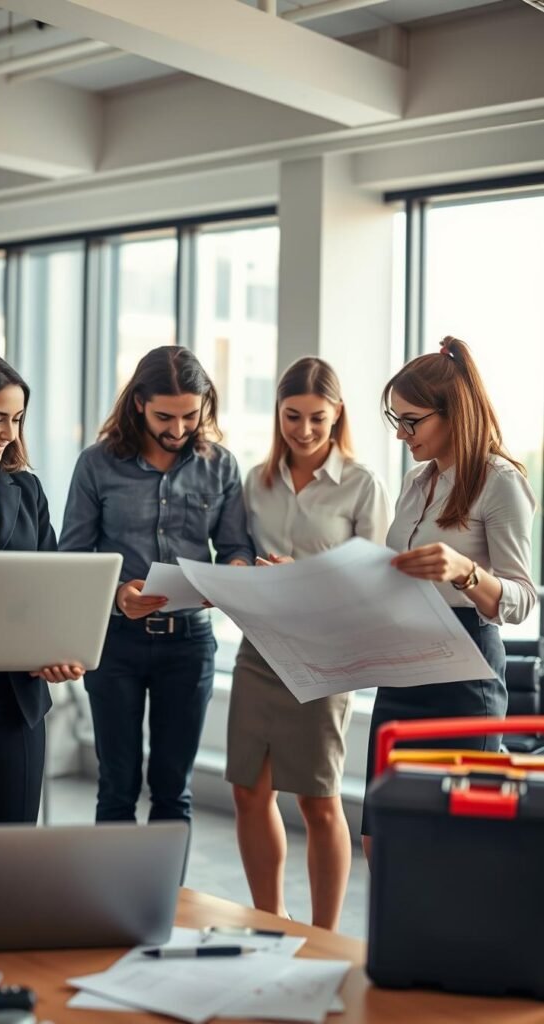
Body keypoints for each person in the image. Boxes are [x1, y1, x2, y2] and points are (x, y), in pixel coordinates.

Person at [227, 356, 390, 930]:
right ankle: (269, 920)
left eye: (316, 418)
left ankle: (322, 935)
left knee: (318, 801)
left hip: (325, 656)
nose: (303, 429)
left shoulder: (362, 485)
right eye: (292, 416)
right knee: (248, 792)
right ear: (277, 413)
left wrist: (305, 573)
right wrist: (247, 570)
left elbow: (377, 581)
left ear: (337, 413)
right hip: (259, 650)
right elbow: (238, 550)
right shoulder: (257, 480)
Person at [59, 345, 254, 825]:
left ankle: (168, 903)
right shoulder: (97, 465)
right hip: (116, 644)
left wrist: (234, 574)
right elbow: (73, 557)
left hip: (188, 645)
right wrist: (119, 594)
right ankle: (113, 902)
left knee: (173, 792)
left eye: (191, 415)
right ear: (139, 403)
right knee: (117, 786)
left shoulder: (221, 466)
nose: (178, 429)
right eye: (165, 416)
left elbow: (237, 548)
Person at [362, 336, 537, 859]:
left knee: (454, 848)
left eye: (411, 420)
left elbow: (523, 599)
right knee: (380, 841)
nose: (401, 433)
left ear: (453, 412)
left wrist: (464, 572)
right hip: (402, 670)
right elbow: (398, 570)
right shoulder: (417, 480)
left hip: (465, 675)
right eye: (395, 419)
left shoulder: (500, 482)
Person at [0, 348, 83, 826]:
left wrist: (57, 648)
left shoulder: (24, 490)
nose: (9, 433)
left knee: (11, 854)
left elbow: (49, 583)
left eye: (17, 419)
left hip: (16, 702)